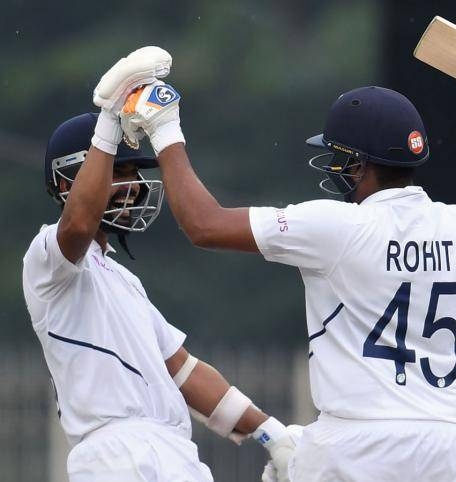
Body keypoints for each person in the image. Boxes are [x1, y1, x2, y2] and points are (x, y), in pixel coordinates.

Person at [117, 48, 456, 481]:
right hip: (446, 447)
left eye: (337, 157)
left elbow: (204, 224)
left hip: (355, 447)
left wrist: (165, 128)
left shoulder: (336, 228)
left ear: (358, 164)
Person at [22, 56, 299, 481]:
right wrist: (110, 121)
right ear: (65, 182)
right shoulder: (46, 258)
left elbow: (183, 371)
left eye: (133, 171)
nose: (133, 185)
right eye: (120, 169)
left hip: (172, 451)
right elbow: (77, 224)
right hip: (116, 457)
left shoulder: (123, 279)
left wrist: (270, 433)